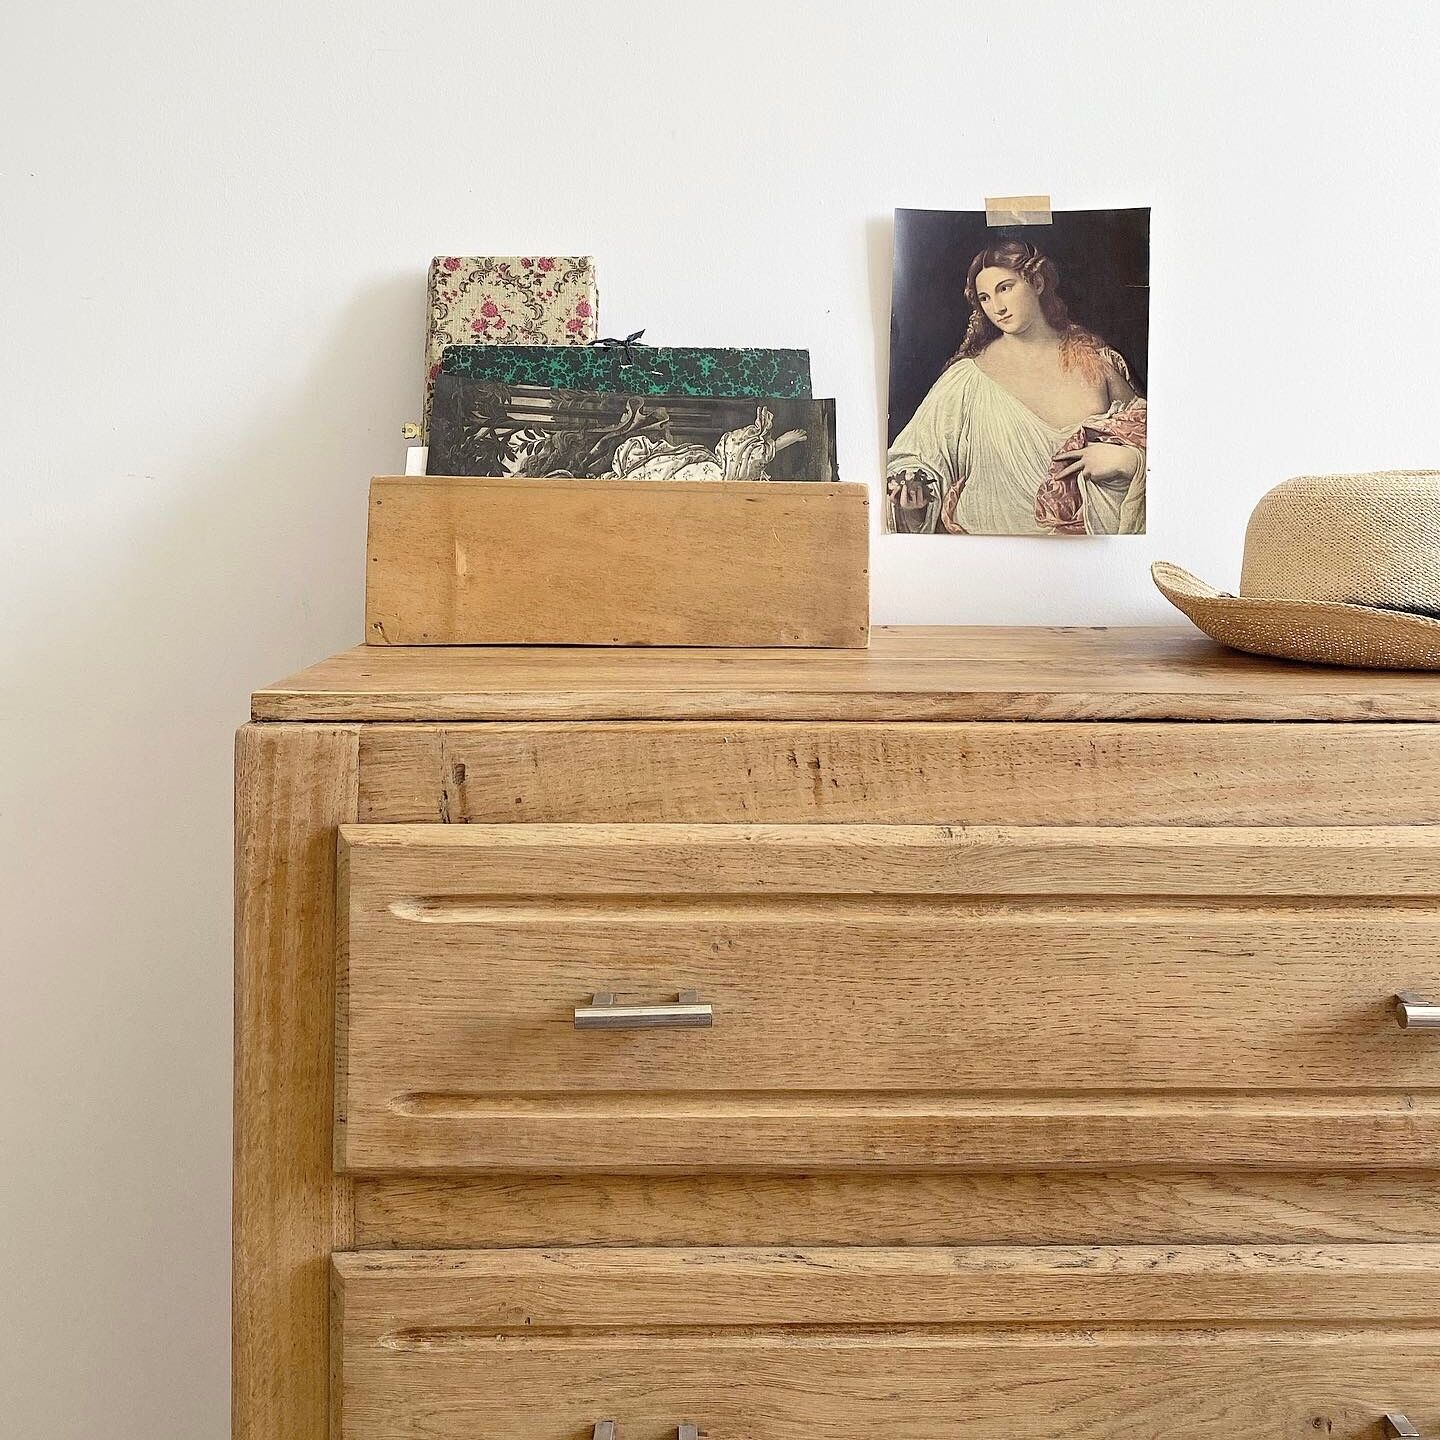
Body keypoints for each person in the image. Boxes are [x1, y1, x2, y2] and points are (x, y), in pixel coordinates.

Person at [887, 238, 1146, 535]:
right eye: (984, 298)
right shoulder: (967, 379)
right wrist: (914, 495)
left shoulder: (1098, 363)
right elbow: (915, 459)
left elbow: (1150, 444)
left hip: (1085, 555)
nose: (996, 307)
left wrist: (1129, 461)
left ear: (1036, 282)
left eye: (1005, 288)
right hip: (990, 551)